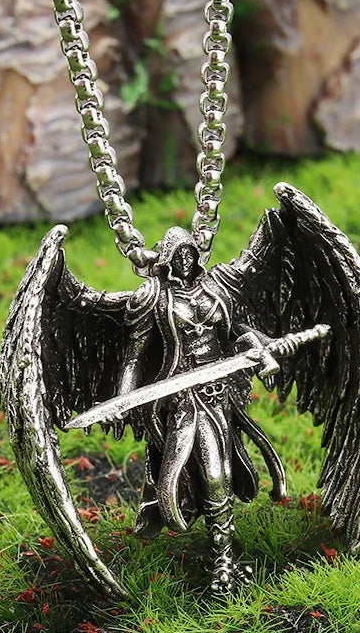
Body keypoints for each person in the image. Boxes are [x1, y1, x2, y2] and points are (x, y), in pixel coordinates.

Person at [118, 227, 295, 592]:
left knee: (227, 472)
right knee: (213, 475)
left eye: (189, 252)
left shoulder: (213, 289)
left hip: (222, 394)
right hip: (185, 399)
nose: (185, 259)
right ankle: (222, 560)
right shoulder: (154, 297)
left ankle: (224, 552)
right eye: (178, 254)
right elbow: (134, 356)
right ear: (168, 258)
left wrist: (260, 350)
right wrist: (123, 399)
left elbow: (235, 333)